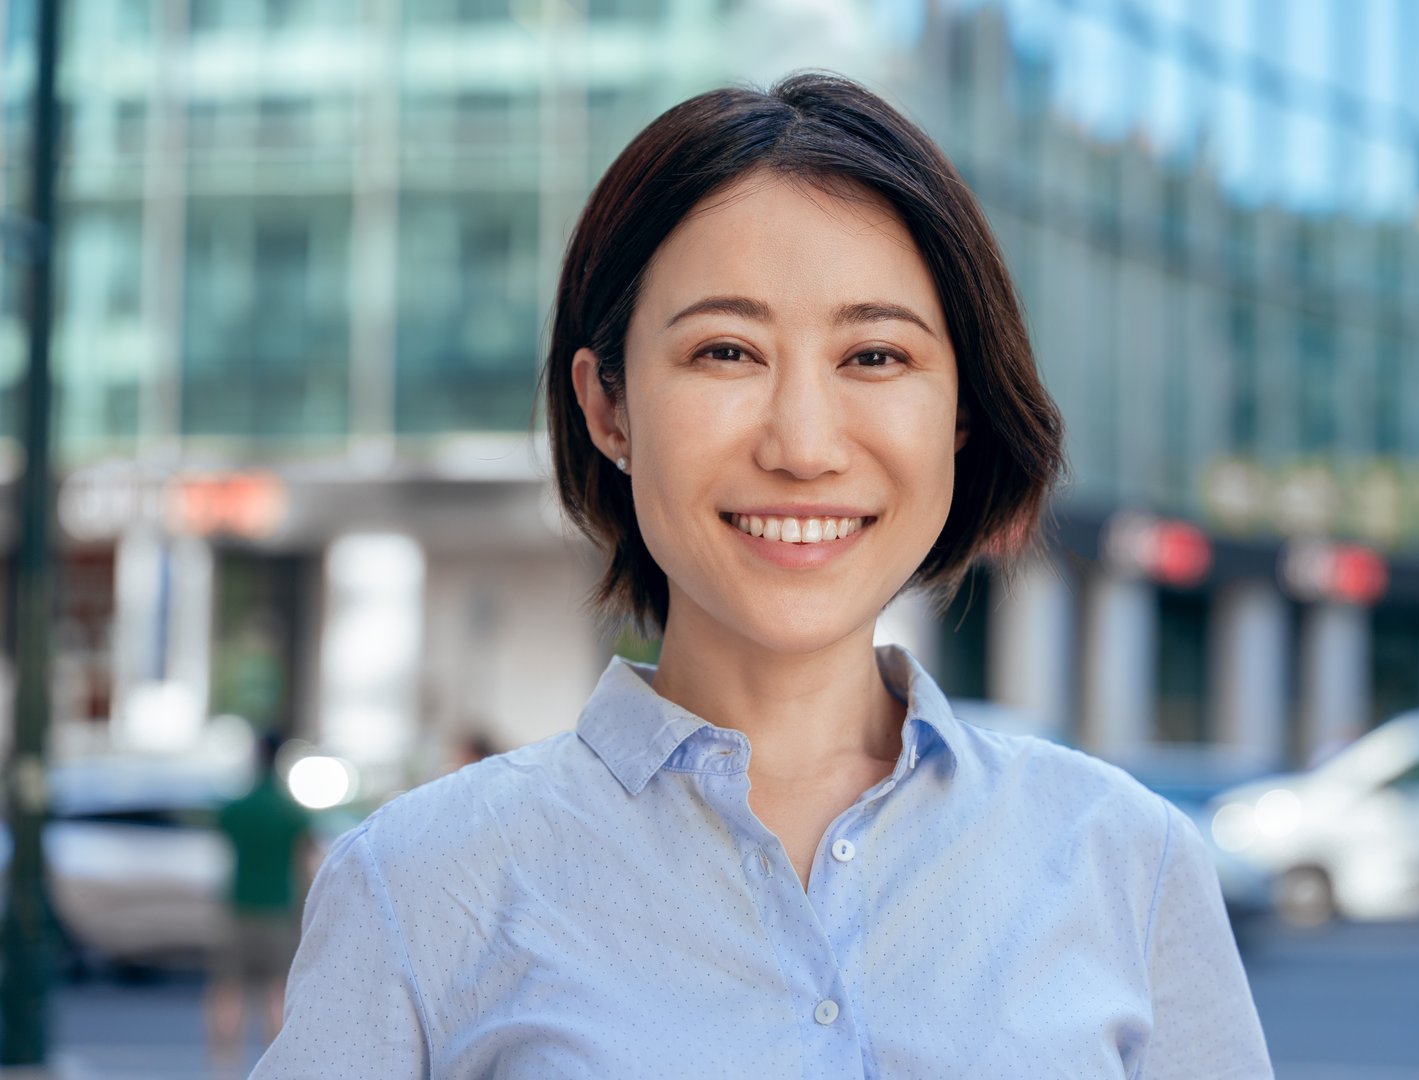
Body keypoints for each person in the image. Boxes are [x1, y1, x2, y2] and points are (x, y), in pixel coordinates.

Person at [253, 73, 1272, 1078]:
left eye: (875, 357)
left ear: (962, 409)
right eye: (727, 352)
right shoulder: (419, 886)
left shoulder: (1128, 859)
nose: (803, 446)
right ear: (608, 407)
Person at [209, 731, 311, 1072]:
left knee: (228, 989)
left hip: (239, 906)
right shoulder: (290, 811)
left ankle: (224, 1069)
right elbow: (304, 863)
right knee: (277, 992)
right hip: (278, 910)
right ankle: (276, 1069)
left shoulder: (239, 808)